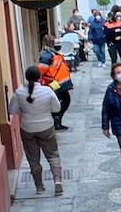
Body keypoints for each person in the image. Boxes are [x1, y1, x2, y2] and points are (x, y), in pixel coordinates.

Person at [7, 65, 63, 195]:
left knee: (33, 158)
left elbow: (12, 110)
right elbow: (56, 109)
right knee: (53, 154)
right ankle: (57, 181)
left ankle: (39, 186)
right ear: (40, 77)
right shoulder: (47, 91)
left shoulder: (19, 92)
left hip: (27, 129)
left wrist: (23, 109)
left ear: (26, 78)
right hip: (46, 127)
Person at [40, 43, 74, 131]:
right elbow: (42, 69)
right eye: (56, 42)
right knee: (59, 101)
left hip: (59, 83)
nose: (59, 44)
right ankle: (56, 121)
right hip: (54, 83)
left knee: (65, 100)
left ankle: (58, 120)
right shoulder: (47, 55)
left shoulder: (54, 54)